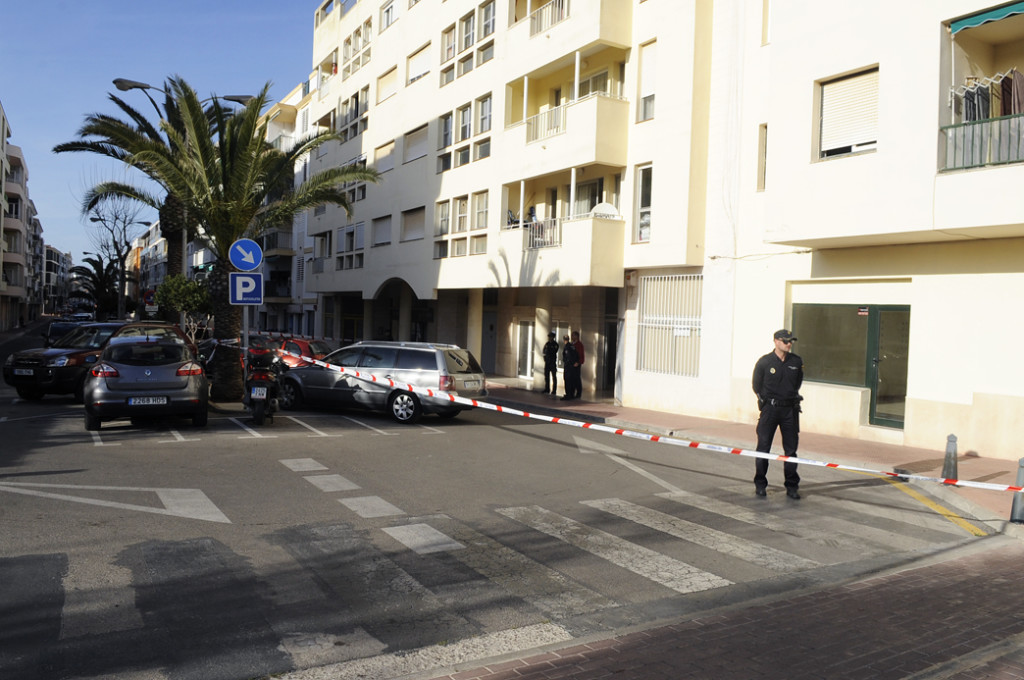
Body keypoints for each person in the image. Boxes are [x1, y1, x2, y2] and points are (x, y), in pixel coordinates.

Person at [751, 329, 804, 499]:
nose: (789, 344)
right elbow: (756, 385)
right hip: (770, 410)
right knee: (763, 448)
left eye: (791, 341)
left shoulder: (796, 361)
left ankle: (792, 486)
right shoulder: (765, 362)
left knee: (791, 451)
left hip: (790, 411)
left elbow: (797, 383)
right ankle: (760, 484)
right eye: (785, 341)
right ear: (776, 341)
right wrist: (765, 401)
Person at [560, 335, 578, 400]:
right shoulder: (572, 346)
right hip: (572, 367)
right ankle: (571, 394)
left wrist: (567, 362)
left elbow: (568, 356)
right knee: (572, 380)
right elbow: (576, 355)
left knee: (567, 380)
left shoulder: (567, 347)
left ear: (564, 340)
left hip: (568, 366)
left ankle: (568, 395)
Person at [570, 330, 585, 399]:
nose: (572, 337)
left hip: (577, 364)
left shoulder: (579, 345)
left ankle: (578, 393)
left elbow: (581, 355)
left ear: (577, 336)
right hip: (571, 364)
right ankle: (571, 392)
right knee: (572, 379)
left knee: (577, 379)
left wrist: (578, 362)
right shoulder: (571, 344)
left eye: (573, 335)